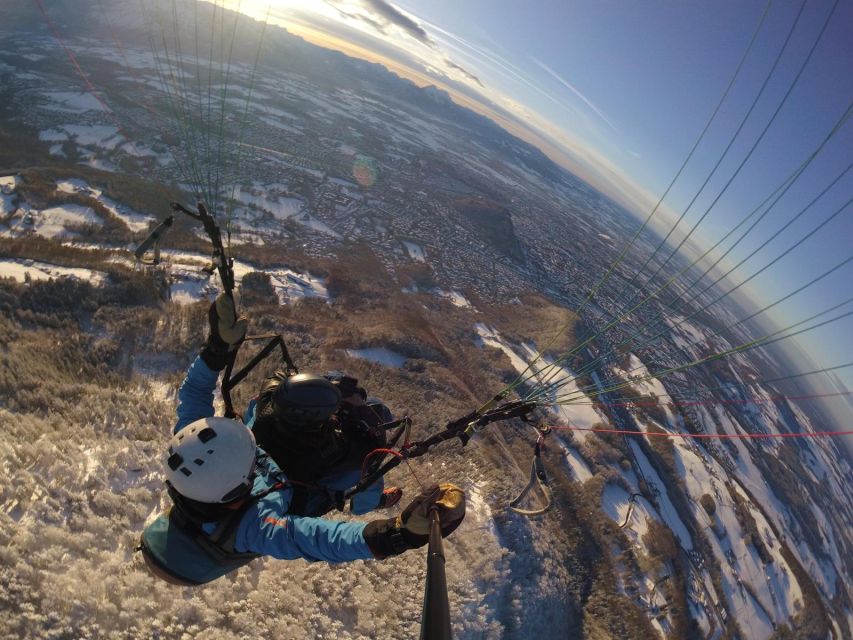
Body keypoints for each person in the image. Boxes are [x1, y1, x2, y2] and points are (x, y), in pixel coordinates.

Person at [139, 293, 465, 586]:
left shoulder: (195, 448)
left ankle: (367, 492)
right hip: (302, 490)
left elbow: (195, 393)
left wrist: (217, 348)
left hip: (274, 461)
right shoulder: (253, 527)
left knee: (269, 408)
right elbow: (317, 539)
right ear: (241, 488)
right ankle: (371, 500)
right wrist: (399, 534)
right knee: (361, 467)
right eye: (252, 458)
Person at [248, 364, 403, 517]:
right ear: (315, 421)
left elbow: (279, 375)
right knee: (368, 470)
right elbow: (373, 450)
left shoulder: (268, 410)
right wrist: (360, 407)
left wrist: (315, 386)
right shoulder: (325, 447)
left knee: (254, 405)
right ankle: (368, 503)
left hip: (263, 457)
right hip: (301, 494)